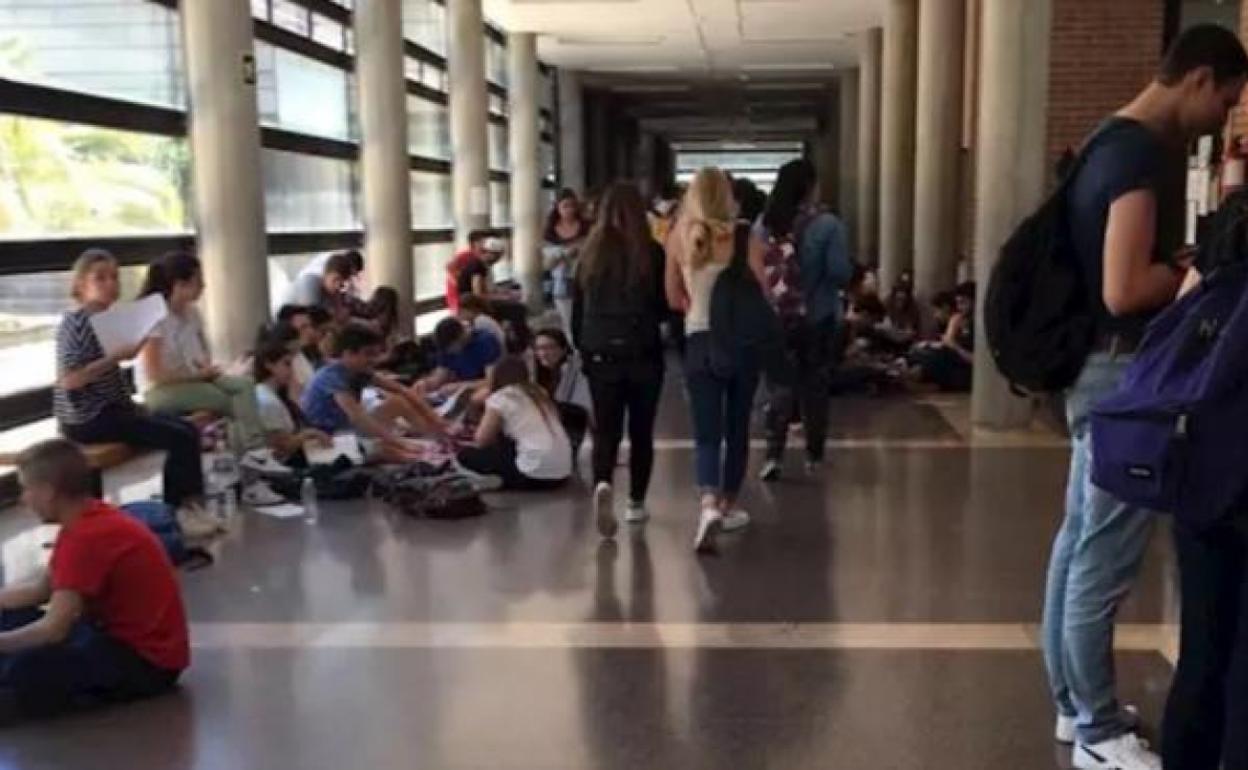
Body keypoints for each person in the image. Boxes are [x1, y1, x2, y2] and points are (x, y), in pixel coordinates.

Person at [1038, 25, 1248, 770]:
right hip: (1121, 376)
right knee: (1105, 553)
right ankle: (1097, 729)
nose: (1223, 119)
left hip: (1089, 369)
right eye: (1224, 101)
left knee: (1077, 541)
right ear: (1197, 78)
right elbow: (1124, 286)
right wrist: (1193, 277)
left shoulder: (1102, 142)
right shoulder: (1139, 155)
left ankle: (1073, 703)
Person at [0, 439, 188, 719]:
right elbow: (42, 590)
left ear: (49, 492)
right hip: (108, 635)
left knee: (27, 668)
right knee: (10, 619)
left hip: (147, 662)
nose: (23, 499)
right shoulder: (85, 518)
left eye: (27, 489)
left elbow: (54, 629)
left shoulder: (86, 538)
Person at [53, 249, 214, 539]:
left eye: (114, 277)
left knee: (186, 428)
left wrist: (131, 402)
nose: (110, 284)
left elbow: (111, 379)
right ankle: (181, 511)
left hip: (112, 409)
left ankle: (184, 506)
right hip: (87, 417)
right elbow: (69, 381)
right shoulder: (76, 323)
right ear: (80, 285)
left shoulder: (109, 318)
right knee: (180, 436)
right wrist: (115, 358)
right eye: (100, 278)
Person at [666, 167, 764, 553]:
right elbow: (760, 290)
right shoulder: (744, 236)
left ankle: (707, 503)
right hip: (740, 343)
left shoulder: (679, 235)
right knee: (737, 426)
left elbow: (673, 297)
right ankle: (728, 504)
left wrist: (696, 302)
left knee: (706, 431)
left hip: (698, 340)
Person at [572, 182, 667, 538]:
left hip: (601, 354)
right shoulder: (651, 253)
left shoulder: (589, 253)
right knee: (641, 432)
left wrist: (584, 349)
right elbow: (662, 306)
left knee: (606, 430)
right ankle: (636, 504)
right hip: (643, 353)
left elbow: (578, 311)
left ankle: (602, 484)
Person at [752, 158, 853, 482]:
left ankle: (773, 455)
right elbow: (840, 273)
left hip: (776, 317)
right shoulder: (828, 225)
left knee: (779, 387)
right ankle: (814, 455)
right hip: (818, 316)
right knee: (815, 386)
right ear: (810, 187)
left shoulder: (763, 225)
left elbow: (757, 272)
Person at [135, 252, 269, 459]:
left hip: (193, 380)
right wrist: (198, 376)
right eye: (198, 281)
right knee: (226, 401)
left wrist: (207, 370)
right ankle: (254, 453)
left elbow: (200, 354)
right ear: (179, 284)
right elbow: (155, 374)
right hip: (161, 390)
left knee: (245, 385)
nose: (203, 286)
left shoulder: (192, 313)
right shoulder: (154, 318)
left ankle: (254, 450)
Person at [300, 323, 446, 460]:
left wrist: (437, 420)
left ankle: (437, 437)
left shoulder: (359, 371)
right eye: (368, 354)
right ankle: (426, 454)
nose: (374, 360)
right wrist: (399, 443)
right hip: (328, 437)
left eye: (375, 354)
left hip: (347, 428)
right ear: (348, 353)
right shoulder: (332, 377)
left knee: (397, 402)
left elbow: (402, 390)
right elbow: (358, 418)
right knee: (386, 449)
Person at [456, 356, 571, 491]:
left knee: (465, 455)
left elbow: (481, 440)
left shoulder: (500, 398)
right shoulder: (540, 393)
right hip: (562, 474)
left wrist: (475, 403)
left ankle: (494, 480)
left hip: (534, 474)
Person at [252, 336, 331, 463]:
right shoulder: (267, 401)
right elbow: (282, 447)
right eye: (286, 364)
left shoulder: (267, 394)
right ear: (269, 365)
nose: (291, 371)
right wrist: (310, 433)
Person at [532, 328, 593, 461]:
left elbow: (582, 405)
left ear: (563, 349)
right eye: (539, 348)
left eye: (549, 348)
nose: (543, 353)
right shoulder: (542, 374)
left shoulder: (572, 371)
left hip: (572, 424)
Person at [908, 282, 975, 392]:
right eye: (958, 303)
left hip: (967, 371)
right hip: (954, 361)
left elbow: (975, 361)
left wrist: (955, 346)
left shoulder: (978, 325)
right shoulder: (960, 319)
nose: (960, 307)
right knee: (921, 352)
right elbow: (947, 343)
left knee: (938, 359)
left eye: (963, 302)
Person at [543, 189, 589, 338]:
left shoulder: (585, 226)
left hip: (584, 277)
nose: (569, 210)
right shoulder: (550, 231)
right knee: (568, 320)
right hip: (562, 279)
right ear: (557, 207)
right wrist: (563, 254)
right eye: (565, 206)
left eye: (572, 206)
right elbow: (547, 263)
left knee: (585, 317)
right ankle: (573, 346)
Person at [429, 317, 503, 387]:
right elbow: (441, 373)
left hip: (484, 388)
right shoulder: (446, 346)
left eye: (451, 348)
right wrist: (428, 383)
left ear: (460, 337)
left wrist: (458, 386)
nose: (449, 353)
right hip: (461, 386)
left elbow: (490, 381)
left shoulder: (485, 342)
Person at [280, 249, 364, 310]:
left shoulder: (331, 289)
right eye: (336, 279)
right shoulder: (310, 282)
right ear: (325, 273)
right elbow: (313, 318)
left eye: (342, 284)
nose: (338, 286)